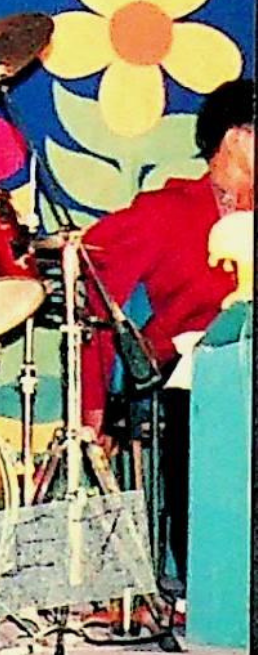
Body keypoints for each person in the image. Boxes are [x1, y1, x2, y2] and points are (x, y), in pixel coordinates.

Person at [81, 76, 254, 590]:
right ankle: (211, 584)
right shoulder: (166, 211)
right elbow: (95, 297)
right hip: (198, 375)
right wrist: (93, 408)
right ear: (237, 137)